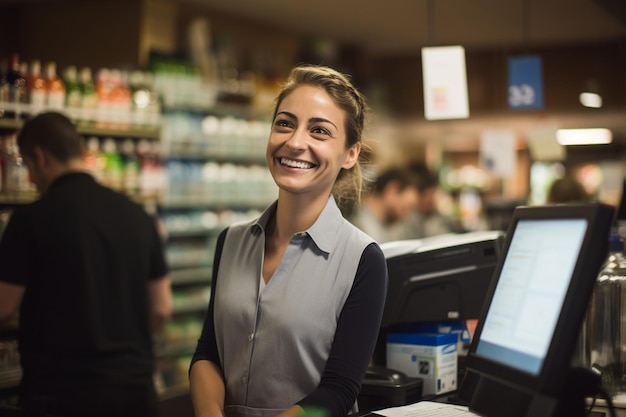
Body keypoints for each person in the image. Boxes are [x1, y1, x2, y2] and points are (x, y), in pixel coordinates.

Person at [189, 65, 388, 417]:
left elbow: (339, 391)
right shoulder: (231, 242)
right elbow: (210, 352)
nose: (295, 142)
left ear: (350, 154)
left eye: (319, 131)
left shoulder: (362, 259)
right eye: (284, 123)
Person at [0, 112, 172, 417]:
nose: (29, 178)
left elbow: (3, 307)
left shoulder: (29, 221)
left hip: (61, 394)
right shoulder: (139, 216)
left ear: (39, 157)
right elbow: (161, 308)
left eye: (27, 165)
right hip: (135, 391)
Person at [389, 162, 463, 240]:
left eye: (433, 195)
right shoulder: (405, 221)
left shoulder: (439, 216)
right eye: (425, 195)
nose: (430, 201)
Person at [348, 166, 420, 243]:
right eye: (405, 208)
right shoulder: (360, 226)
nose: (406, 216)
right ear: (392, 190)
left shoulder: (378, 225)